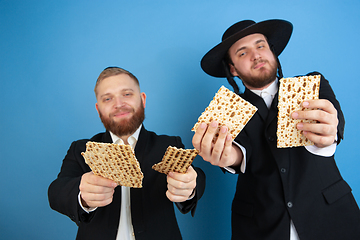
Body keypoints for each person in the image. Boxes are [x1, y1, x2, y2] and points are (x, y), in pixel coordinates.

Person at [192, 19, 360, 240]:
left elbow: (332, 129)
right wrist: (227, 155)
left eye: (260, 45)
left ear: (272, 51)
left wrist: (328, 135)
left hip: (331, 217)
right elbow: (238, 150)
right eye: (242, 53)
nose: (256, 55)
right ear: (232, 68)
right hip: (258, 227)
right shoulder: (227, 111)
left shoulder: (313, 85)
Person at [48, 67, 206, 240]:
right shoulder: (81, 149)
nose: (118, 104)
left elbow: (195, 176)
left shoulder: (168, 145)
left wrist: (190, 186)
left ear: (143, 99)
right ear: (98, 109)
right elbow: (56, 191)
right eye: (108, 98)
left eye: (127, 94)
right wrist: (81, 194)